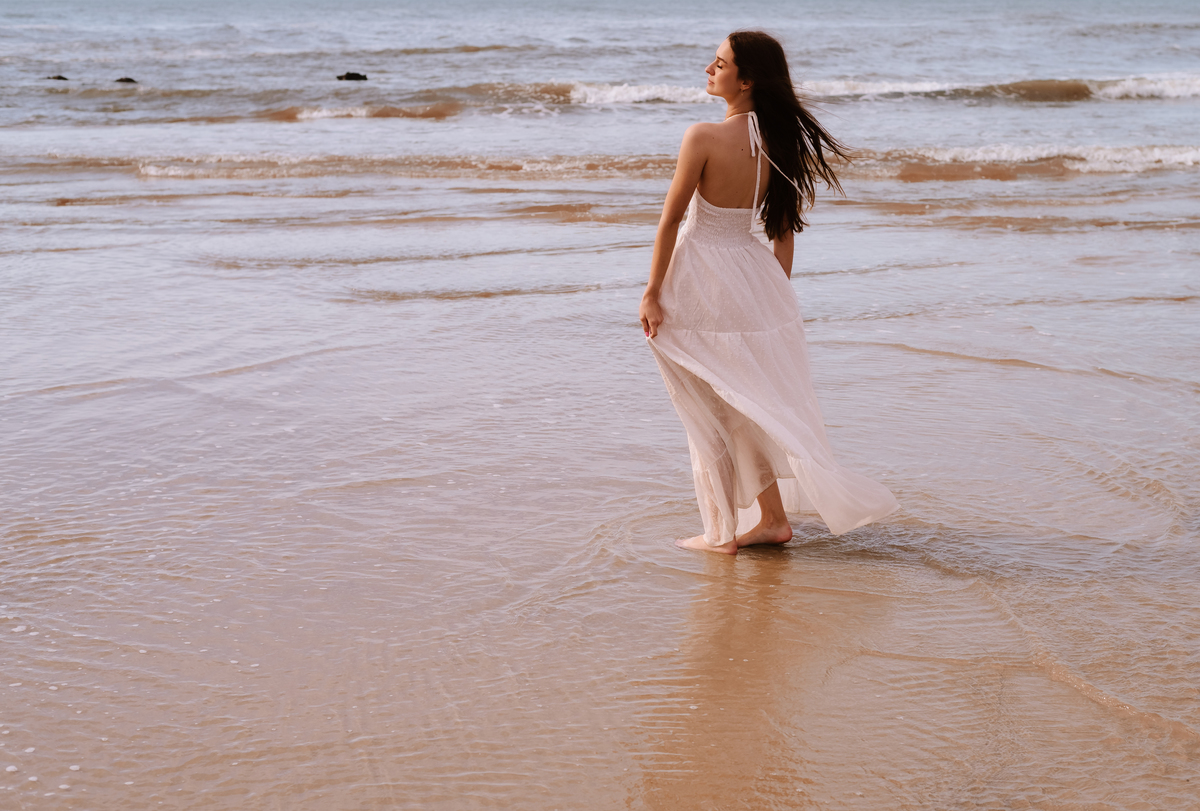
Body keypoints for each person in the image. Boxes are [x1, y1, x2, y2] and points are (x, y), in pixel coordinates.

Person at [640, 30, 899, 555]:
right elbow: (782, 234)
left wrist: (651, 292)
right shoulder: (777, 145)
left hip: (701, 278)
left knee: (714, 402)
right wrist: (770, 298)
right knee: (739, 400)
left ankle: (731, 530)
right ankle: (769, 519)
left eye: (720, 63)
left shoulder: (703, 137)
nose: (709, 69)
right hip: (753, 278)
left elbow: (669, 223)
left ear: (747, 79)